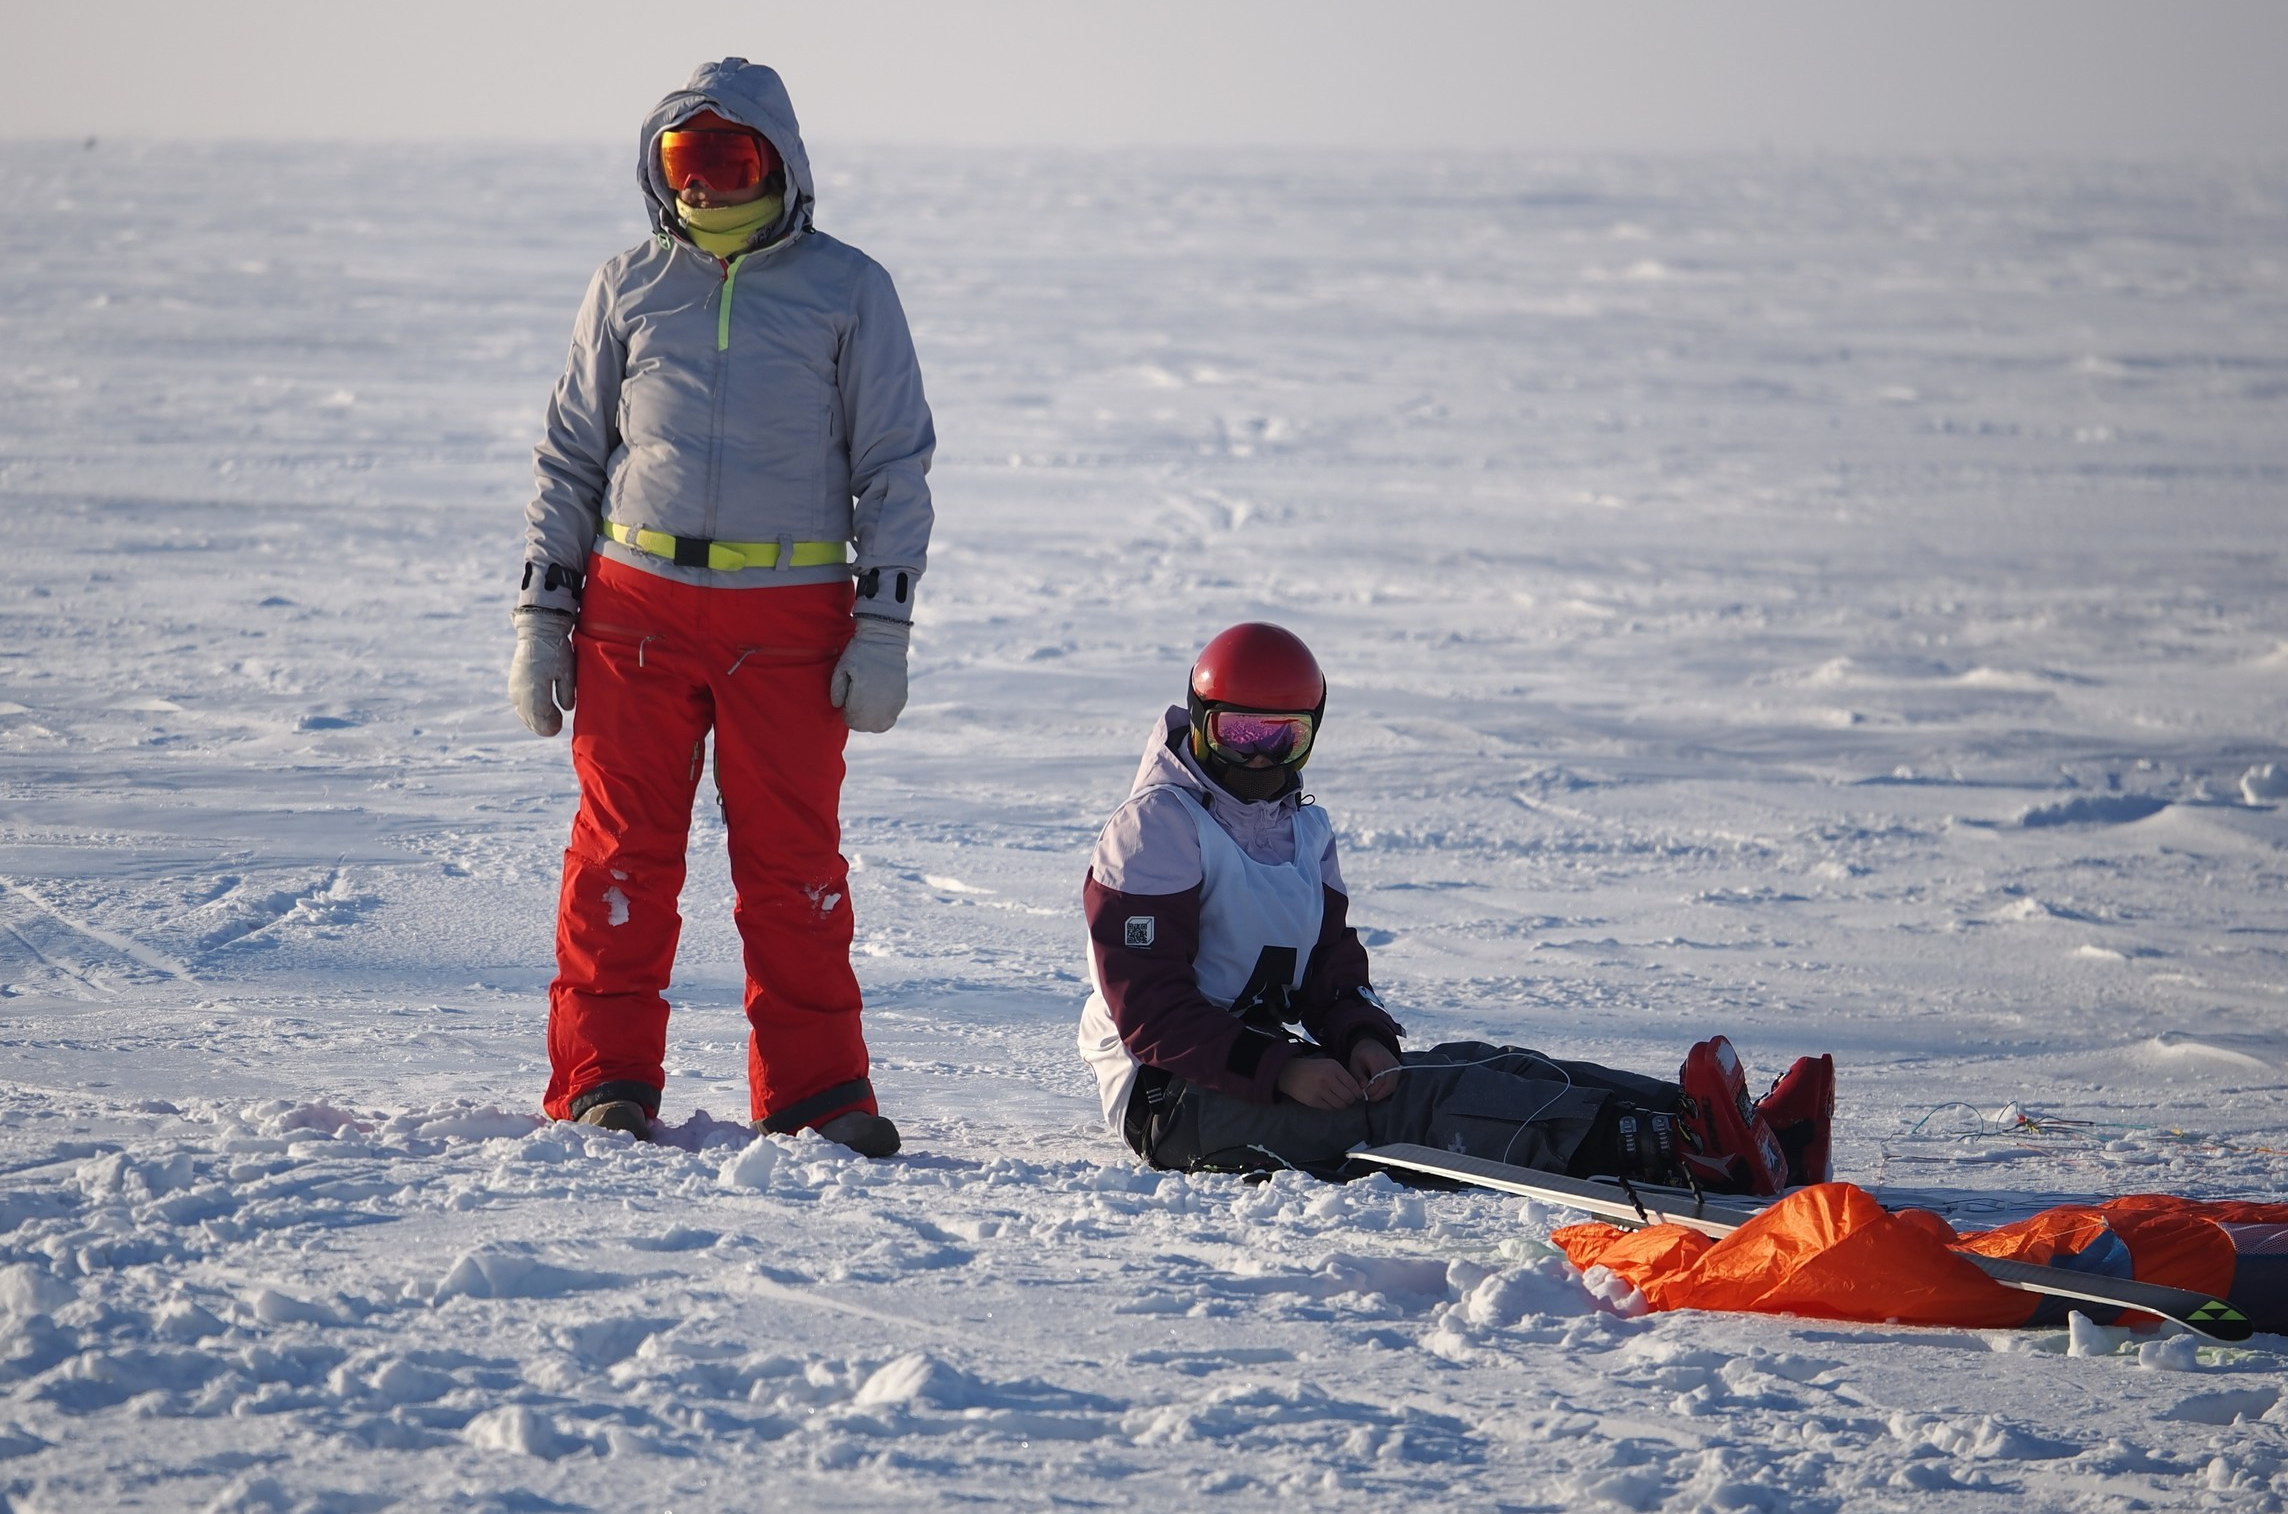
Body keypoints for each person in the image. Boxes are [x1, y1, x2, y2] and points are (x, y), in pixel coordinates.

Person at [508, 58, 935, 1158]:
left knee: (794, 866)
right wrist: (541, 618)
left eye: (727, 160)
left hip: (790, 617)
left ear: (778, 164)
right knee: (619, 859)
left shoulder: (850, 290)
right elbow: (568, 458)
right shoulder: (627, 284)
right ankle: (603, 1081)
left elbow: (893, 464)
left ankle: (818, 1093)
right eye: (681, 162)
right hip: (633, 607)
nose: (702, 188)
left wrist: (881, 627)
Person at [1078, 622, 1836, 1186]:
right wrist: (1282, 1069)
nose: (1258, 757)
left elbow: (1332, 974)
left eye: (1283, 737)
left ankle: (1732, 1126)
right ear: (1201, 724)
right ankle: (1676, 1151)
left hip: (1256, 1069)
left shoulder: (1302, 830)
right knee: (1419, 1109)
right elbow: (1155, 1017)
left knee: (1491, 1063)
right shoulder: (1158, 828)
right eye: (1238, 732)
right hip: (1177, 1105)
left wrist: (1361, 1034)